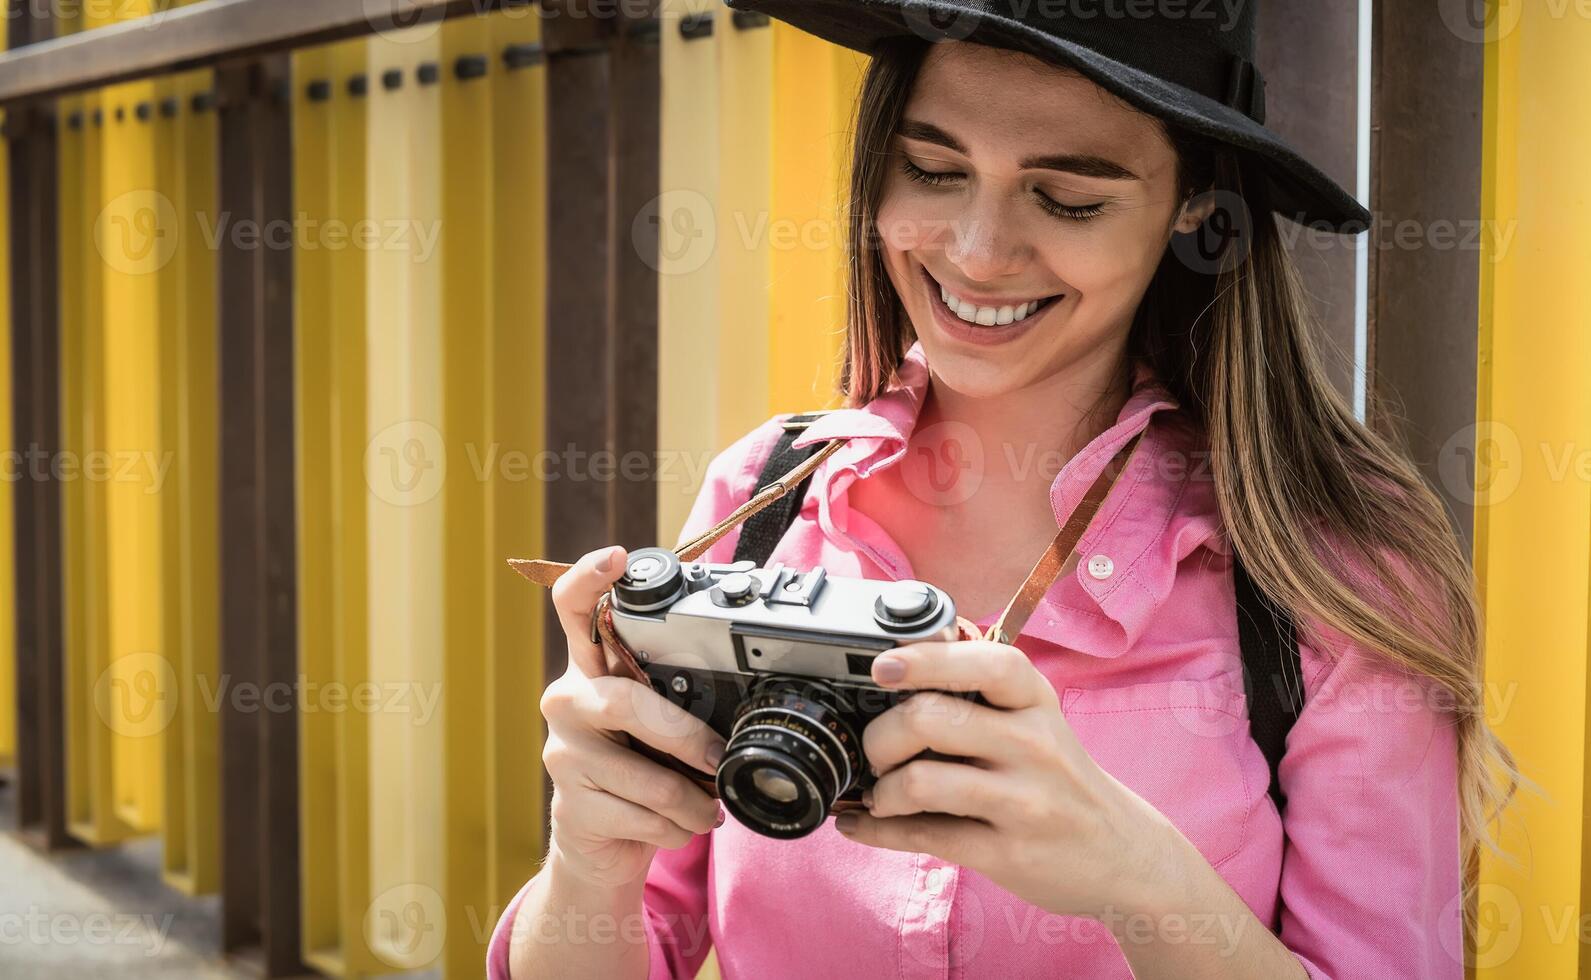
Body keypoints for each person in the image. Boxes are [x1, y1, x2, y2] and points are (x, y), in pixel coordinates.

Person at [491, 3, 1516, 977]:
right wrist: (588, 856)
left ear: (1195, 220)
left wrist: (1140, 877)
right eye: (933, 171)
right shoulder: (759, 501)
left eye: (1068, 196)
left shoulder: (1335, 569)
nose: (977, 253)